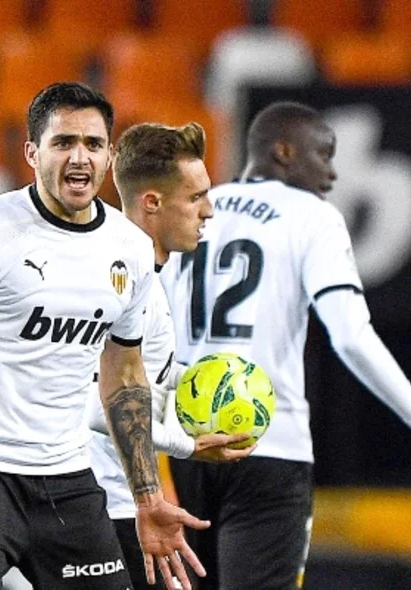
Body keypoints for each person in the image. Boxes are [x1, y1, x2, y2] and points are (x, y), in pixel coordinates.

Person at [0, 82, 207, 590]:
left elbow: (124, 378)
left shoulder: (129, 249)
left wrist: (147, 497)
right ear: (32, 152)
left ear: (110, 155)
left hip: (65, 474)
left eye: (93, 144)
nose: (79, 157)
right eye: (63, 142)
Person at [161, 101, 411, 589]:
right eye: (324, 155)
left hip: (186, 442)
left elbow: (146, 327)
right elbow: (350, 335)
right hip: (268, 441)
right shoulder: (312, 216)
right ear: (284, 151)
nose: (331, 174)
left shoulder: (195, 205)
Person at [85, 121, 253, 589]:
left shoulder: (145, 279)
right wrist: (187, 445)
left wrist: (210, 383)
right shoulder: (110, 277)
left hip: (118, 502)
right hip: (95, 506)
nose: (210, 211)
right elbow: (91, 401)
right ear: (152, 203)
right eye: (196, 197)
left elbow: (143, 377)